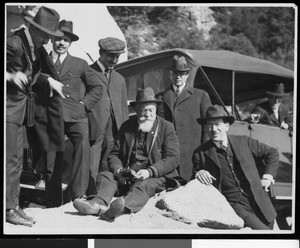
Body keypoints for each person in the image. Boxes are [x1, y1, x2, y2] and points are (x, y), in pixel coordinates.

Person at [73, 87, 181, 222]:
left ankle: (120, 209)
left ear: (156, 109)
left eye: (151, 110)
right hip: (129, 177)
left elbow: (173, 158)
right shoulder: (126, 126)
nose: (148, 114)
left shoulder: (166, 127)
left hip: (156, 177)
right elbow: (114, 154)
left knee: (144, 185)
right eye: (144, 111)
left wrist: (149, 172)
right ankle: (97, 204)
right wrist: (118, 170)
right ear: (136, 111)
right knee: (106, 175)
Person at [6, 6, 65, 226]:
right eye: (46, 35)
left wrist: (47, 80)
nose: (48, 41)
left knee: (15, 162)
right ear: (33, 27)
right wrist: (11, 76)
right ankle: (8, 208)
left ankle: (13, 206)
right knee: (10, 161)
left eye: (51, 36)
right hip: (8, 109)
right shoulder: (13, 43)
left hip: (20, 112)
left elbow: (34, 74)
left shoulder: (34, 47)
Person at [192, 105, 279, 230]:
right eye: (209, 125)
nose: (213, 129)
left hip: (260, 202)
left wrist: (268, 176)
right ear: (205, 128)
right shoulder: (199, 153)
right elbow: (194, 177)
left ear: (226, 126)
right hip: (234, 205)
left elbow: (272, 153)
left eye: (218, 124)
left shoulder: (244, 141)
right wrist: (199, 173)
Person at [49, 20, 103, 202]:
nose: (61, 43)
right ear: (52, 38)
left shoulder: (80, 63)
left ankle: (78, 196)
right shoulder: (43, 61)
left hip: (76, 115)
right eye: (58, 39)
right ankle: (53, 200)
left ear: (70, 43)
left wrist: (84, 104)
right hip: (52, 116)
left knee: (82, 145)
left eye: (65, 40)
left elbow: (96, 88)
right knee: (51, 157)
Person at [156, 55, 211, 182]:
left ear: (187, 75)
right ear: (170, 74)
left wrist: (203, 157)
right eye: (175, 73)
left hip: (193, 156)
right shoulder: (160, 98)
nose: (178, 76)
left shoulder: (200, 96)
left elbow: (207, 128)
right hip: (167, 157)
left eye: (182, 73)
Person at [87, 37, 129, 193]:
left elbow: (123, 108)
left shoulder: (120, 79)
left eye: (117, 56)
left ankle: (105, 195)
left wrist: (125, 131)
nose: (114, 60)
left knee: (109, 164)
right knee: (92, 164)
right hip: (94, 129)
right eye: (111, 55)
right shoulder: (88, 72)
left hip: (115, 131)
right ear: (100, 53)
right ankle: (90, 195)